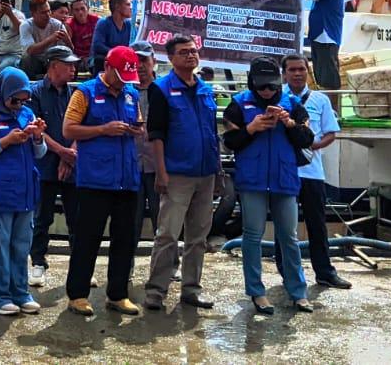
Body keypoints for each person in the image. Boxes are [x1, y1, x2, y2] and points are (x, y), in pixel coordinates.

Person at [223, 56, 314, 314]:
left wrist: (289, 123)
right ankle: (256, 291)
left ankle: (298, 292)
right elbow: (230, 142)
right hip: (252, 180)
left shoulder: (293, 104)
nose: (267, 91)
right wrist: (252, 128)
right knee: (252, 235)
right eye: (261, 86)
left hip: (284, 179)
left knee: (289, 236)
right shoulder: (238, 104)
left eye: (272, 86)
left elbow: (307, 139)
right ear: (252, 82)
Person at [62, 46, 144, 316]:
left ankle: (118, 294)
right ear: (107, 67)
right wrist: (103, 130)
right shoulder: (84, 93)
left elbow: (139, 122)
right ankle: (77, 295)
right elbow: (68, 129)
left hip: (126, 178)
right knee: (87, 239)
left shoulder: (131, 94)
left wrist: (136, 129)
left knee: (125, 239)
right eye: (120, 76)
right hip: (95, 180)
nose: (123, 82)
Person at [144, 34, 220, 311]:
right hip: (176, 174)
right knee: (168, 235)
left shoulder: (205, 90)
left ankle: (191, 289)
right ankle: (156, 291)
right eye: (184, 52)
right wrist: (161, 173)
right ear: (171, 58)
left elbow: (212, 133)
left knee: (198, 237)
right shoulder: (161, 89)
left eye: (193, 51)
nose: (191, 55)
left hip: (205, 173)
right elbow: (156, 135)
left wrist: (218, 171)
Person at [0, 66, 48, 315]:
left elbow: (40, 153)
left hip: (25, 193)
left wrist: (37, 137)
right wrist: (6, 141)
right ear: (5, 93)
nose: (19, 105)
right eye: (15, 100)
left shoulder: (27, 113)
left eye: (24, 100)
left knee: (21, 247)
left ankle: (20, 292)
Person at [272, 54, 351, 289]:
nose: (297, 74)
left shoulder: (320, 100)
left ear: (308, 72)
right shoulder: (276, 98)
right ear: (284, 74)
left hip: (312, 173)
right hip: (284, 172)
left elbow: (330, 133)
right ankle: (286, 273)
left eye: (302, 69)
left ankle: (325, 272)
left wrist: (311, 145)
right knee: (284, 226)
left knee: (317, 224)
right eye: (292, 70)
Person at [26, 46, 80, 289]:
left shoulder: (76, 93)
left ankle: (79, 266)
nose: (73, 69)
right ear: (53, 65)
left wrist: (70, 154)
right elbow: (36, 129)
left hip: (72, 164)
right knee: (42, 217)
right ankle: (38, 262)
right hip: (45, 164)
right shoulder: (35, 93)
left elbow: (80, 124)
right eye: (68, 64)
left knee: (77, 218)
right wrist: (62, 152)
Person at [299, 0, 345, 89]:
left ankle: (332, 102)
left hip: (326, 37)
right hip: (319, 36)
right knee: (321, 77)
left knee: (329, 81)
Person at [131, 42, 160, 241]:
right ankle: (127, 259)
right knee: (130, 222)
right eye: (135, 61)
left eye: (144, 60)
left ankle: (166, 260)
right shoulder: (123, 90)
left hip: (159, 165)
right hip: (130, 166)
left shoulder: (164, 90)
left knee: (163, 221)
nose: (140, 65)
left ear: (153, 62)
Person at [18, 0, 72, 79]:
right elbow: (30, 50)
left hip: (52, 60)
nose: (47, 15)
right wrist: (51, 39)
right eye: (43, 12)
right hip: (35, 61)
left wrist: (68, 41)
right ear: (33, 14)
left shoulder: (57, 24)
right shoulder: (26, 25)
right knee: (26, 58)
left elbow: (69, 50)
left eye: (48, 11)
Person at [90, 0, 133, 73]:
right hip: (104, 60)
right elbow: (98, 46)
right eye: (127, 5)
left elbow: (133, 43)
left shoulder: (129, 24)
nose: (131, 8)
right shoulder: (103, 23)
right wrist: (118, 54)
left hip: (123, 59)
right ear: (117, 7)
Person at [65, 0, 97, 66]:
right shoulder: (69, 25)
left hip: (95, 55)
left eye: (83, 9)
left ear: (88, 8)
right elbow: (68, 47)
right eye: (76, 10)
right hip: (78, 58)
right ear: (72, 12)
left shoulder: (96, 20)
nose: (80, 12)